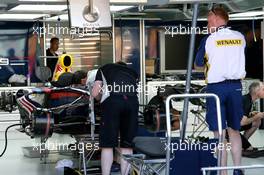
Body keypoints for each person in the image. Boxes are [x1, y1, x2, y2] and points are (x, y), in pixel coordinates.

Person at [194, 7, 246, 175]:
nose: (208, 25)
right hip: (236, 87)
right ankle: (238, 169)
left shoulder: (209, 39)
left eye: (209, 21)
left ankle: (222, 172)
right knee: (234, 130)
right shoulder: (240, 37)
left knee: (219, 132)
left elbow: (198, 65)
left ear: (216, 19)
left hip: (216, 88)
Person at [92, 61, 139, 175]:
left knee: (107, 145)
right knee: (127, 144)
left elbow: (95, 92)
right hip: (132, 103)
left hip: (112, 102)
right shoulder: (133, 72)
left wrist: (100, 100)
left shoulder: (104, 68)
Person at [240, 82, 264, 156]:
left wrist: (250, 114)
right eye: (263, 89)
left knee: (257, 122)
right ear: (256, 91)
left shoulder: (247, 99)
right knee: (249, 149)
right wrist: (256, 116)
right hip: (229, 130)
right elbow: (242, 123)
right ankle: (242, 145)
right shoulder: (247, 101)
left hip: (232, 126)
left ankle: (242, 144)